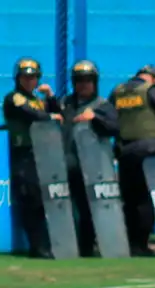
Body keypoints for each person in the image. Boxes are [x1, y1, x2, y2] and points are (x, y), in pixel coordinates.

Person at [110, 65, 155, 257]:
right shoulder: (152, 92)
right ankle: (141, 244)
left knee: (130, 199)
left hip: (126, 152)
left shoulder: (118, 92)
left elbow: (110, 120)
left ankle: (130, 243)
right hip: (151, 151)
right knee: (147, 200)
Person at [2, 57, 62, 258]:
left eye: (33, 77)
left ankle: (49, 244)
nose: (29, 81)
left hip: (43, 155)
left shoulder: (38, 100)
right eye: (25, 77)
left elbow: (59, 115)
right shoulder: (14, 98)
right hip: (24, 155)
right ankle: (38, 247)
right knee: (32, 199)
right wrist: (50, 116)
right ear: (18, 79)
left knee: (46, 200)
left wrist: (51, 97)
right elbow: (32, 115)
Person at [59, 59, 119, 257]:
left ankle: (87, 247)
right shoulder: (65, 103)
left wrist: (95, 118)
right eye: (78, 81)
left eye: (87, 80)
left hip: (93, 168)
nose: (83, 85)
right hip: (67, 164)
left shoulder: (102, 105)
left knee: (89, 210)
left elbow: (115, 128)